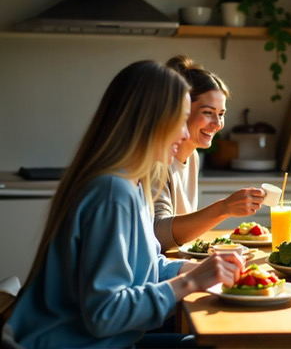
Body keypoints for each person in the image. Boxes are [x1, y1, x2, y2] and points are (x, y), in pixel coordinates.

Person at [4, 60, 243, 348]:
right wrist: (190, 283)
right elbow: (104, 314)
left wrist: (194, 269)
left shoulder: (133, 183)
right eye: (179, 119)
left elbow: (147, 266)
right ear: (149, 120)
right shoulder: (111, 193)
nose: (183, 134)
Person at [154, 55, 265, 252]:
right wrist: (224, 209)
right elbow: (158, 234)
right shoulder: (157, 159)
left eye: (221, 114)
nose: (218, 124)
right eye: (207, 112)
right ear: (180, 110)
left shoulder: (193, 156)